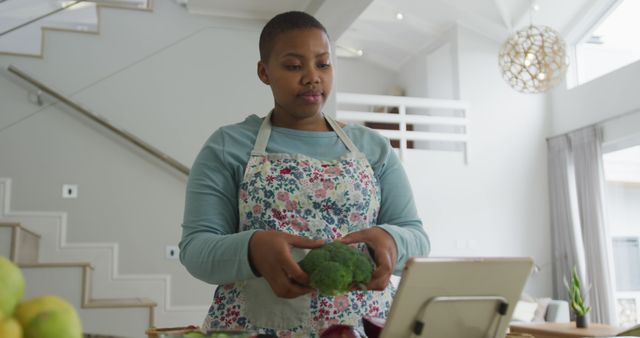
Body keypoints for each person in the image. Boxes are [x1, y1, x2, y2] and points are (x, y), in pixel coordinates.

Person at [179, 11, 430, 337]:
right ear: (264, 71)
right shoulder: (228, 146)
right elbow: (196, 250)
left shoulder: (373, 147)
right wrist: (253, 248)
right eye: (294, 66)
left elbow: (417, 238)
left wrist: (392, 241)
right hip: (254, 327)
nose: (312, 77)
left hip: (366, 326)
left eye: (323, 64)